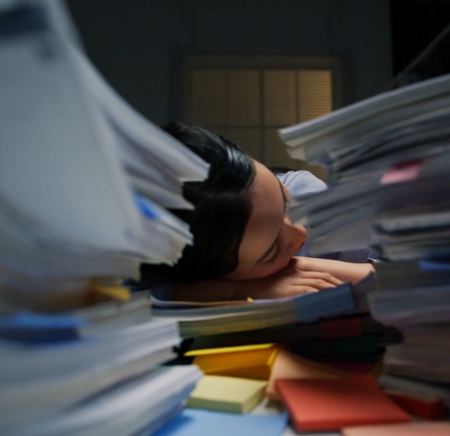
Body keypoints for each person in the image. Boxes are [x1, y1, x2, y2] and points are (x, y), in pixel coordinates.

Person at [142, 122, 374, 301]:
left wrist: (305, 268)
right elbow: (140, 295)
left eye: (285, 200)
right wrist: (235, 291)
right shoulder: (157, 261)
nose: (300, 232)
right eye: (272, 251)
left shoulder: (309, 196)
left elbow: (403, 276)